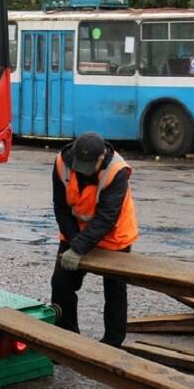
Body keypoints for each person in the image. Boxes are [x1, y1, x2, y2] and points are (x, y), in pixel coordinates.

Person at [50, 131, 138, 347]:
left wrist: (78, 248)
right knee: (61, 284)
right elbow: (61, 207)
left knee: (115, 290)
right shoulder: (62, 162)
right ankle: (67, 338)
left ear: (102, 157)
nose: (83, 171)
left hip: (113, 236)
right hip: (75, 233)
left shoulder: (117, 171)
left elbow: (106, 218)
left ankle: (112, 343)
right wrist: (73, 243)